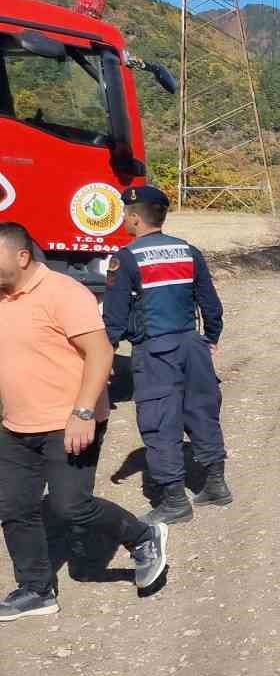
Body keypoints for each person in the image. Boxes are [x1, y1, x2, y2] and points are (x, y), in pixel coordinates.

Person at [0, 222, 169, 620]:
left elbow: (100, 353)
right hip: (16, 424)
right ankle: (35, 589)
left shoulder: (63, 293)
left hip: (68, 419)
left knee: (69, 506)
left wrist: (83, 411)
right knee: (13, 507)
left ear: (21, 257)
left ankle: (143, 536)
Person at [101, 185, 229, 524]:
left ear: (133, 218)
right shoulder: (189, 251)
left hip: (155, 350)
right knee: (202, 411)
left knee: (160, 422)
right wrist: (210, 338)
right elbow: (211, 305)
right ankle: (216, 485)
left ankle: (175, 502)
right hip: (193, 345)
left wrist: (105, 358)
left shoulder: (126, 258)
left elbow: (113, 319)